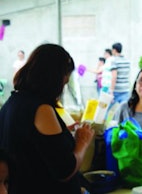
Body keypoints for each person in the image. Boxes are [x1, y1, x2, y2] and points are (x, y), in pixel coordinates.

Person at [0, 43, 95, 194]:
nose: (62, 89)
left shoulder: (12, 103)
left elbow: (34, 144)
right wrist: (82, 142)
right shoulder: (42, 109)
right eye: (64, 83)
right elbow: (65, 170)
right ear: (55, 79)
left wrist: (61, 132)